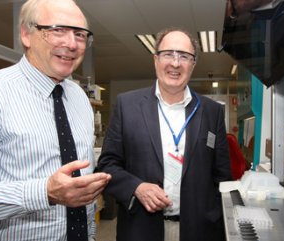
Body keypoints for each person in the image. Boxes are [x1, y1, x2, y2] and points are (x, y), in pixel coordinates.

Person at [0, 0, 111, 241]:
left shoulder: (79, 98)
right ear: (25, 34)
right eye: (58, 30)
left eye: (80, 34)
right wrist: (44, 192)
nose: (72, 44)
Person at [97, 27, 232, 241]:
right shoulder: (127, 105)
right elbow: (107, 165)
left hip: (199, 231)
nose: (175, 63)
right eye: (168, 54)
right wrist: (137, 187)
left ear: (193, 64)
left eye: (184, 56)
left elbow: (222, 176)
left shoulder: (212, 111)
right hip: (141, 229)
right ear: (156, 60)